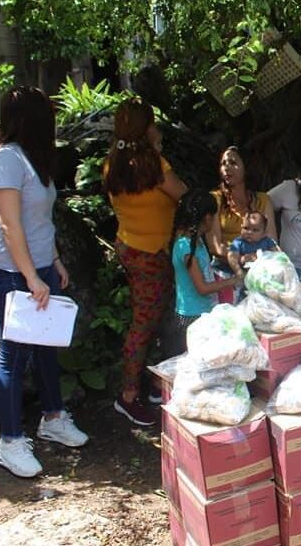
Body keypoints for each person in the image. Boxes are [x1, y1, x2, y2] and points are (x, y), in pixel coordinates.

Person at [0, 86, 88, 478]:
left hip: (42, 269)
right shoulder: (7, 159)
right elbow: (10, 225)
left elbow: (40, 221)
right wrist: (30, 277)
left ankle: (53, 417)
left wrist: (55, 261)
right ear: (31, 119)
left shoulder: (32, 159)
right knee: (13, 356)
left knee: (47, 349)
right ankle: (9, 442)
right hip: (12, 273)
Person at [104, 98, 187, 426]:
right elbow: (184, 194)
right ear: (144, 127)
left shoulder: (113, 163)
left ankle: (153, 385)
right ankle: (128, 396)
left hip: (130, 247)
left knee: (150, 319)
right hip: (154, 254)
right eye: (151, 123)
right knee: (146, 323)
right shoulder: (152, 164)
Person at [171, 190, 245, 353]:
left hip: (204, 310)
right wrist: (233, 281)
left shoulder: (198, 242)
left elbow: (204, 272)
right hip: (191, 315)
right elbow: (202, 288)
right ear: (207, 218)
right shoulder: (185, 246)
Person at [207, 146, 277, 264]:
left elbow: (272, 241)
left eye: (233, 163)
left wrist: (255, 259)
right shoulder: (215, 199)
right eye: (223, 164)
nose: (226, 168)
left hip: (260, 266)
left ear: (246, 168)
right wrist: (241, 259)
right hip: (225, 267)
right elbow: (215, 247)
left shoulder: (263, 200)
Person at [227, 210, 281, 275]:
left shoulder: (267, 241)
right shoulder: (239, 242)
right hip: (245, 274)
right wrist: (239, 268)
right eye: (246, 228)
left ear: (264, 233)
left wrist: (265, 257)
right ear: (241, 227)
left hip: (265, 273)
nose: (249, 232)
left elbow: (277, 254)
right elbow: (231, 257)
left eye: (255, 230)